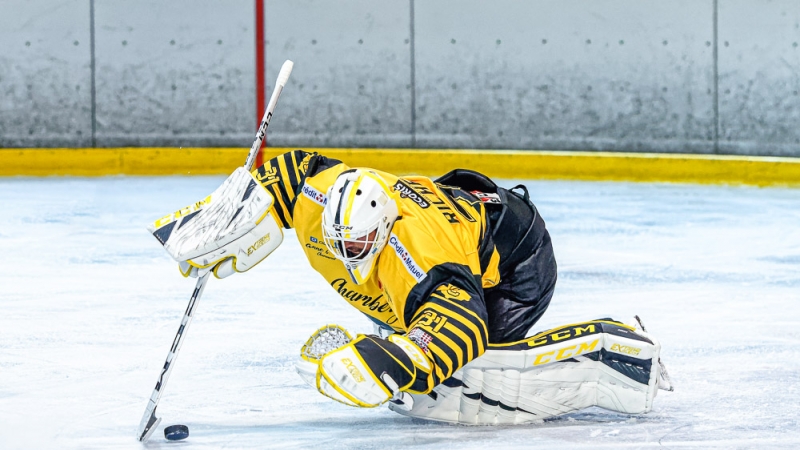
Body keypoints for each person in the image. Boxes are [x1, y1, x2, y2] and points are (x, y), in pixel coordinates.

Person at [150, 151, 671, 425]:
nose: (347, 261)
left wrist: (401, 358)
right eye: (339, 248)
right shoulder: (323, 201)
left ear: (380, 231)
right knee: (420, 362)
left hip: (516, 263)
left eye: (359, 249)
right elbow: (290, 173)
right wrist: (230, 213)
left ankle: (614, 350)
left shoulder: (420, 260)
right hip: (460, 223)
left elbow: (458, 326)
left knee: (470, 386)